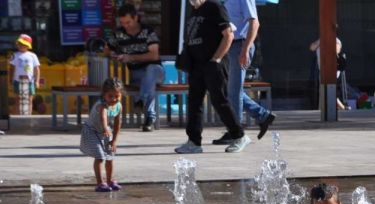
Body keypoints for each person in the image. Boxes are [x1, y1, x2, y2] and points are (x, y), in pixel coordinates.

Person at [175, 0, 251, 154]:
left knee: (219, 100)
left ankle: (239, 135)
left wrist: (216, 59)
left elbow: (228, 35)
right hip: (196, 64)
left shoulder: (214, 6)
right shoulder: (194, 10)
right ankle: (194, 141)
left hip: (213, 63)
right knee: (194, 103)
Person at [217, 0, 276, 146]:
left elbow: (254, 23)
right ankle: (262, 115)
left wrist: (245, 49)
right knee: (226, 89)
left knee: (233, 91)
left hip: (239, 45)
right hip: (226, 46)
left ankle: (235, 132)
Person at [106, 3, 164, 132]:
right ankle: (149, 119)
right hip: (136, 74)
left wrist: (130, 57)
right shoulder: (119, 34)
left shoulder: (148, 31)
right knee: (148, 84)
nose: (126, 26)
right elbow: (107, 49)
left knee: (150, 71)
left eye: (128, 22)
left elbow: (154, 55)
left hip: (156, 71)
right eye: (123, 23)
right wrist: (113, 54)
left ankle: (140, 100)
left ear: (136, 18)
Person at [79, 78, 124, 192]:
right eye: (110, 96)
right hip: (92, 131)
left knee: (110, 156)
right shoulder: (102, 105)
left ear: (121, 95)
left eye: (116, 96)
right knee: (99, 156)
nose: (113, 99)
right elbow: (103, 117)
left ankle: (109, 181)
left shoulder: (118, 106)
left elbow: (118, 123)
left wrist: (114, 140)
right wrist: (105, 128)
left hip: (105, 132)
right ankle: (100, 183)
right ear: (104, 95)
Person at [309, 37, 347, 110]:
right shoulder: (320, 40)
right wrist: (321, 41)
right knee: (324, 92)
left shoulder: (336, 40)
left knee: (328, 92)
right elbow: (312, 47)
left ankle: (342, 108)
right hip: (323, 71)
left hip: (332, 70)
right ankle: (326, 110)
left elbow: (336, 50)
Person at [9, 34, 40, 115]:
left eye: (23, 44)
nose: (21, 46)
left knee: (29, 100)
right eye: (19, 44)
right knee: (18, 99)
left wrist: (37, 81)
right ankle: (16, 117)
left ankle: (28, 117)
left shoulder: (33, 55)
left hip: (29, 81)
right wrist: (10, 78)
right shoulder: (14, 55)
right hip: (17, 80)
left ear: (27, 45)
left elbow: (36, 69)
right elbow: (11, 68)